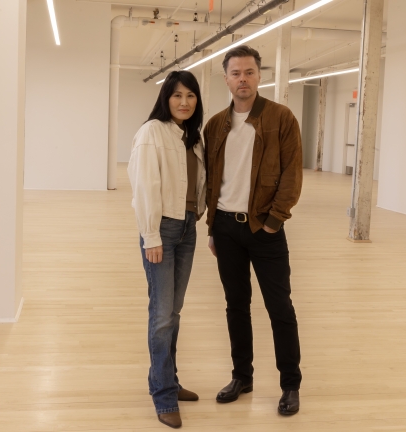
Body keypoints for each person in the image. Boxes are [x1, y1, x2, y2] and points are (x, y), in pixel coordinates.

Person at [203, 45, 303, 416]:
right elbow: (213, 181)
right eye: (235, 73)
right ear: (226, 78)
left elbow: (292, 175)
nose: (242, 79)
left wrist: (275, 221)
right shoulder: (216, 125)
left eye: (249, 72)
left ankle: (290, 384)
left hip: (265, 228)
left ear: (260, 76)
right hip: (227, 229)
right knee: (236, 306)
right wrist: (213, 226)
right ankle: (241, 376)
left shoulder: (281, 118)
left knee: (280, 307)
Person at [127, 70, 206, 429]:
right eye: (177, 96)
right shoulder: (151, 133)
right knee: (161, 316)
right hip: (162, 228)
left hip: (187, 226)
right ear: (165, 98)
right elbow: (144, 187)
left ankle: (169, 380)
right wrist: (151, 236)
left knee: (174, 312)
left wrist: (199, 212)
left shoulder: (192, 137)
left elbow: (197, 182)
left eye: (190, 96)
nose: (184, 102)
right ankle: (162, 395)